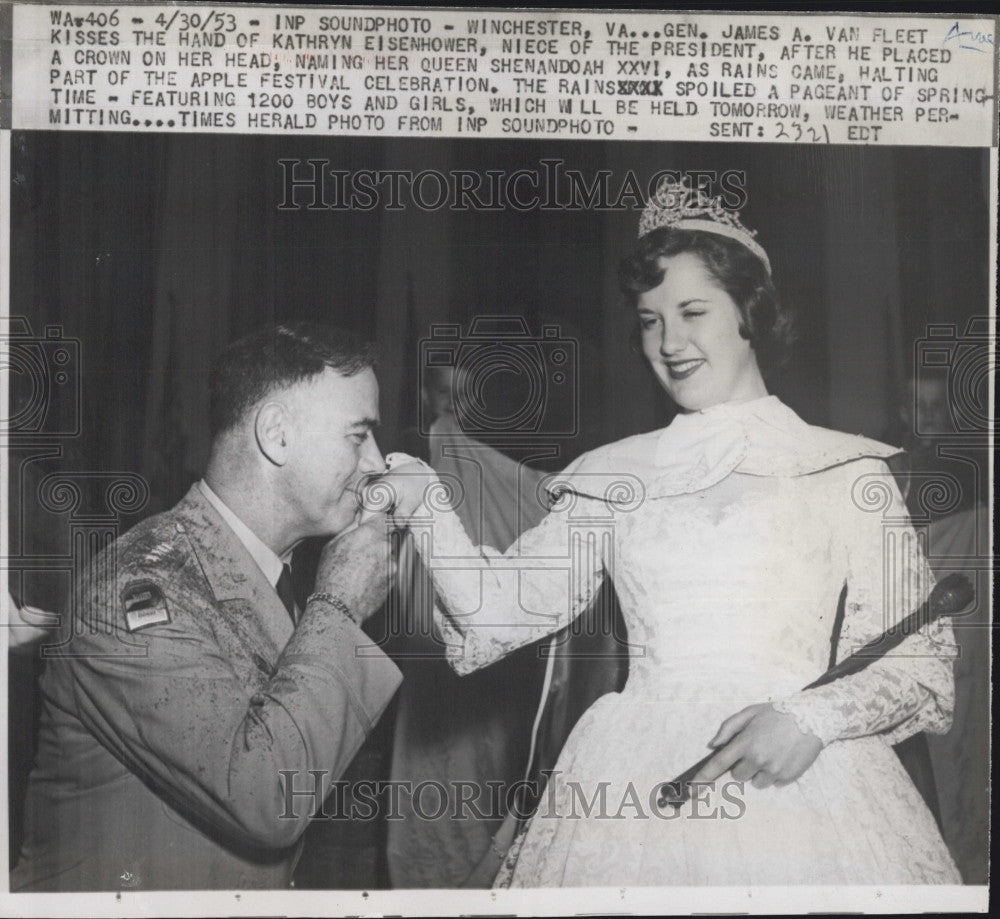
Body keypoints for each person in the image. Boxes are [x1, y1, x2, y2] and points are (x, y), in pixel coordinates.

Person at [379, 177, 961, 885]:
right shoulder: (611, 473)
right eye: (650, 320)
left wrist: (810, 719)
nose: (669, 342)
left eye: (692, 311)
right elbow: (496, 611)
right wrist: (423, 500)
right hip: (632, 775)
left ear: (751, 311)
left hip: (811, 785)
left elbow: (919, 657)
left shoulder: (845, 468)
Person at [11, 322, 402, 891]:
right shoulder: (130, 594)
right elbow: (267, 797)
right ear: (277, 435)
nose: (378, 461)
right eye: (358, 435)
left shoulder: (268, 574)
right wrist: (339, 605)